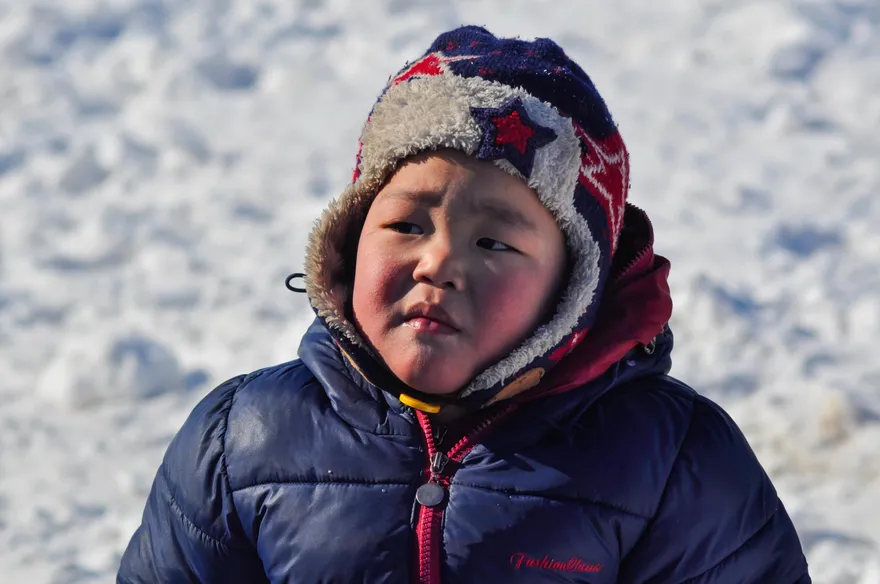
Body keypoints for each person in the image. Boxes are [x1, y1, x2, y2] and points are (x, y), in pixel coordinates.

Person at [117, 26, 811, 583]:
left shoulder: (673, 463)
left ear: (572, 289)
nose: (440, 262)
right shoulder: (241, 440)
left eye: (494, 242)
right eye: (406, 225)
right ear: (351, 239)